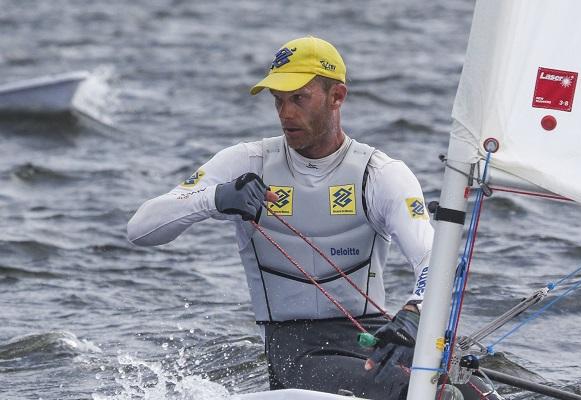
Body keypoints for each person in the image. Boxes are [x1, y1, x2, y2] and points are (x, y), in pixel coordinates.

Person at [127, 36, 501, 400]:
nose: (286, 114)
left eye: (300, 99)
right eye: (279, 101)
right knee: (426, 394)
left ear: (337, 96)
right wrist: (217, 198)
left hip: (373, 337)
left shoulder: (380, 174)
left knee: (471, 390)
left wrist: (415, 312)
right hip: (295, 351)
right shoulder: (246, 162)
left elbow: (435, 258)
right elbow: (141, 228)